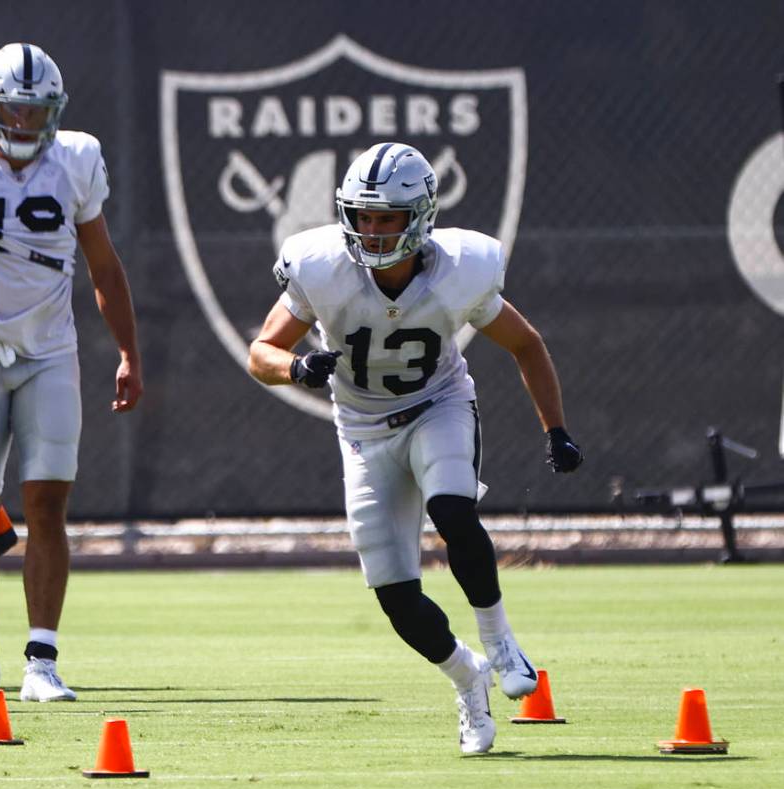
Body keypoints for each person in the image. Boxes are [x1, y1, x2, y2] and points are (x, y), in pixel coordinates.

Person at [247, 142, 583, 754]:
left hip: (439, 406)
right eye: (363, 215)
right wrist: (296, 367)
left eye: (388, 218)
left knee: (453, 512)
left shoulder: (461, 267)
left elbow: (526, 343)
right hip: (363, 429)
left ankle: (501, 640)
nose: (372, 231)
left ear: (421, 216)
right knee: (397, 596)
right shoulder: (321, 265)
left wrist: (554, 428)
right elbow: (260, 352)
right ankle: (467, 675)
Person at [0, 42, 143, 703]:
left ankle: (41, 659)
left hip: (48, 354)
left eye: (36, 111)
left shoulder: (75, 159)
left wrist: (129, 352)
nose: (23, 123)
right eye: (11, 109)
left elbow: (103, 267)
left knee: (47, 506)